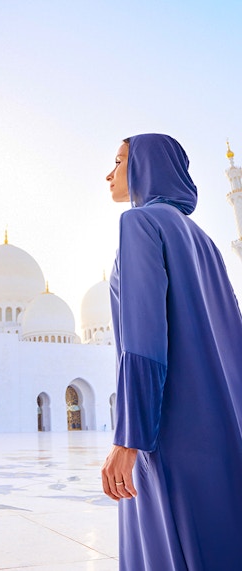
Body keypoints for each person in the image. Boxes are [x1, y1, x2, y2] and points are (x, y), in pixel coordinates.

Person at [102, 133, 242, 570]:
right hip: (222, 427)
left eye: (121, 161)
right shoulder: (204, 240)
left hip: (168, 428)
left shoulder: (140, 223)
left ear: (146, 167)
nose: (110, 173)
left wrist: (130, 437)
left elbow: (143, 341)